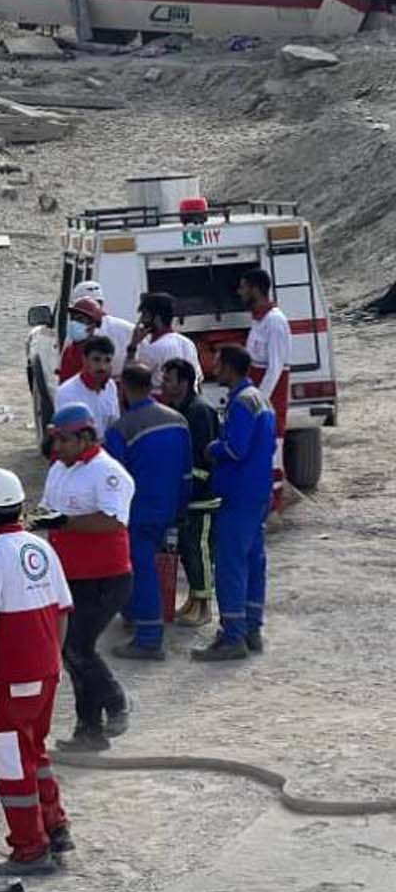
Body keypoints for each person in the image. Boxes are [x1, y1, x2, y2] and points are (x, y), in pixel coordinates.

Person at [0, 468, 74, 878]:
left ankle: (30, 848)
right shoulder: (42, 548)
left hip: (11, 676)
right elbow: (62, 611)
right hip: (46, 671)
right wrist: (52, 659)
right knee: (35, 750)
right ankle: (55, 825)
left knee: (13, 763)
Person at [32, 404, 134, 751]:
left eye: (62, 440)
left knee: (76, 646)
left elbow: (112, 521)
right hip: (68, 578)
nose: (56, 447)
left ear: (85, 437)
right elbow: (48, 510)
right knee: (72, 652)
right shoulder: (59, 469)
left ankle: (116, 700)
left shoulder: (108, 473)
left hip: (106, 578)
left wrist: (64, 523)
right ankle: (89, 730)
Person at [104, 363, 192, 661]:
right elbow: (186, 473)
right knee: (149, 568)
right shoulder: (178, 420)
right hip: (169, 508)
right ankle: (135, 615)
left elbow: (113, 479)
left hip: (137, 512)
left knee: (142, 571)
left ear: (124, 389)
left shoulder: (121, 429)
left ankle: (149, 639)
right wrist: (180, 507)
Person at [193, 345, 275, 661]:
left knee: (230, 565)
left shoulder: (241, 403)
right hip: (257, 492)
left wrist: (213, 448)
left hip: (239, 494)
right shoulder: (260, 399)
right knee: (254, 561)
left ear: (229, 367)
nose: (214, 368)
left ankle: (232, 637)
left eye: (217, 364)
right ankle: (251, 628)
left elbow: (236, 449)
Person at [162, 358, 221, 627]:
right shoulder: (180, 409)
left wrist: (189, 484)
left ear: (184, 382)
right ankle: (194, 599)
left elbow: (205, 458)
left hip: (202, 496)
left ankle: (204, 606)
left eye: (168, 379)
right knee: (187, 549)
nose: (164, 384)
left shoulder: (199, 412)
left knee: (200, 550)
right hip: (186, 495)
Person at [239, 269, 291, 515]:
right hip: (259, 393)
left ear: (256, 289)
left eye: (243, 287)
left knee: (273, 452)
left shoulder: (275, 320)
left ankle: (274, 507)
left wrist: (259, 399)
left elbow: (276, 366)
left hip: (269, 398)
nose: (239, 292)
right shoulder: (258, 319)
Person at [126, 292, 199, 392]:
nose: (141, 320)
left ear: (157, 318)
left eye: (144, 315)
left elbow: (131, 379)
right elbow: (198, 382)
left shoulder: (155, 348)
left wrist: (133, 345)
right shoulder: (188, 343)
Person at [55, 334, 121, 436]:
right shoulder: (67, 392)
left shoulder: (111, 387)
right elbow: (67, 436)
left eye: (107, 360)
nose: (102, 367)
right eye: (96, 360)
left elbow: (114, 425)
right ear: (84, 360)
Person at [57, 294, 133, 381]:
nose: (74, 323)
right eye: (72, 319)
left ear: (92, 324)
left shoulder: (101, 353)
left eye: (80, 319)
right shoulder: (70, 351)